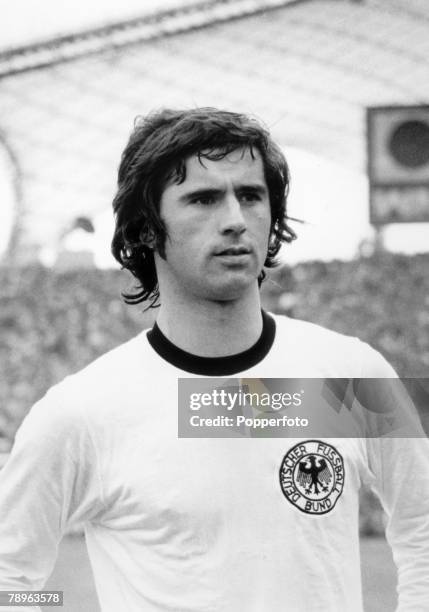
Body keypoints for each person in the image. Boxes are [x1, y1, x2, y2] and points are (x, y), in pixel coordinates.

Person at [0, 108, 428, 611]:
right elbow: (13, 583)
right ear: (145, 229)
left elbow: (422, 529)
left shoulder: (351, 375)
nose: (234, 220)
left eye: (250, 195)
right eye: (202, 199)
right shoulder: (80, 413)